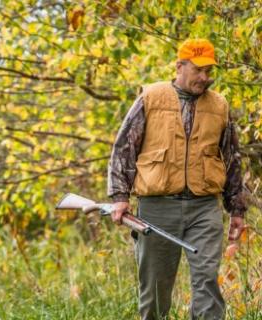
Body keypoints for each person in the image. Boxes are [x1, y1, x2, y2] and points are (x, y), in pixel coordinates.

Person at [107, 39, 247, 320]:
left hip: (204, 207)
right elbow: (124, 147)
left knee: (207, 281)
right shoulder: (151, 97)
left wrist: (237, 209)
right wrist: (119, 198)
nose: (205, 78)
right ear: (180, 66)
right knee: (155, 292)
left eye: (209, 71)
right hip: (157, 208)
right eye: (198, 70)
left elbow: (231, 158)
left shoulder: (219, 105)